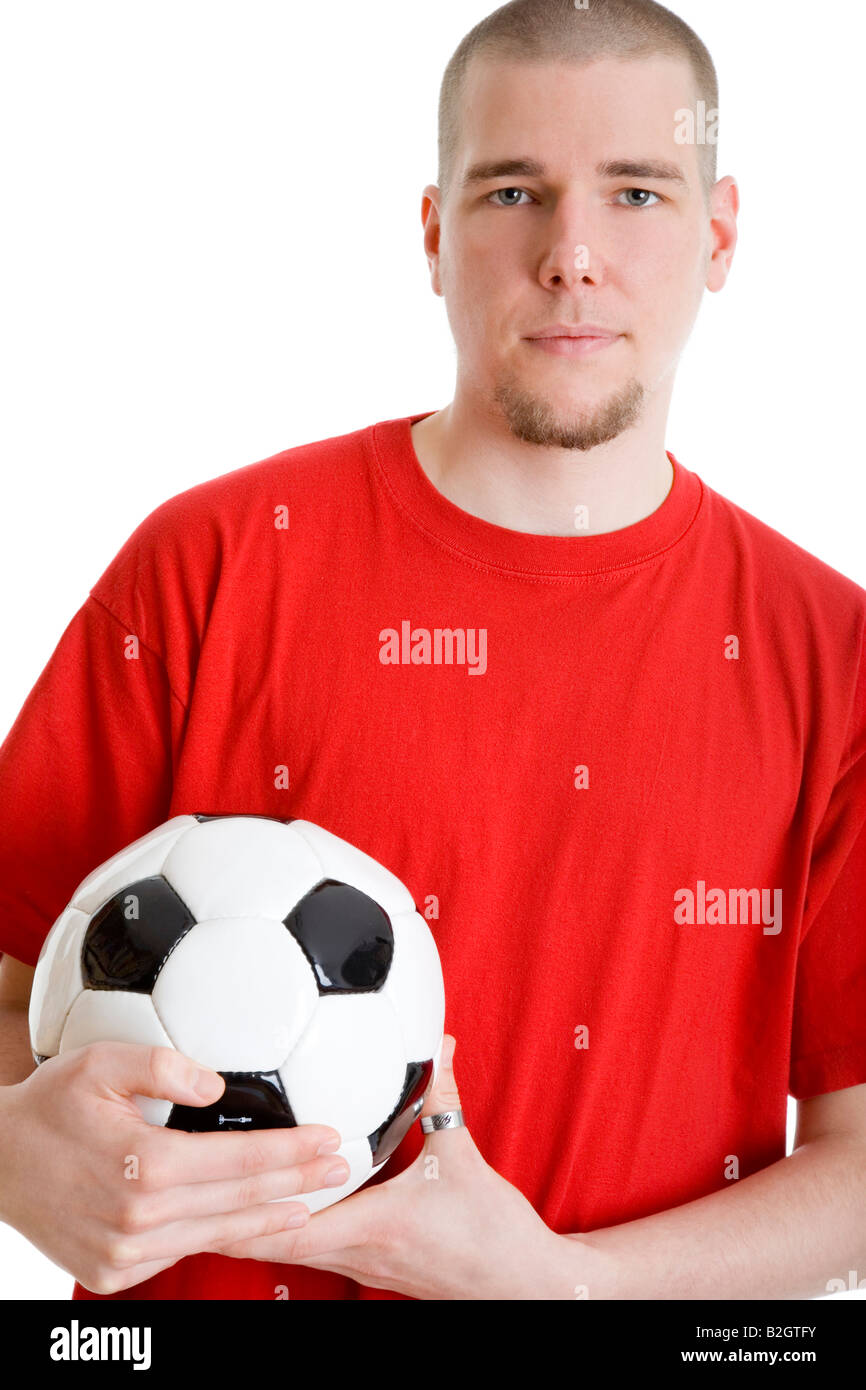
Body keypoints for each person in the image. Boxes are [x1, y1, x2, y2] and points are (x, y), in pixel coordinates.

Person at [1, 0, 864, 1302]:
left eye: (635, 191)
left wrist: (562, 1286)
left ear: (719, 232)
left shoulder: (828, 650)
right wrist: (10, 1156)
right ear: (432, 234)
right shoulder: (212, 561)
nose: (571, 254)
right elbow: (14, 993)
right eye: (513, 189)